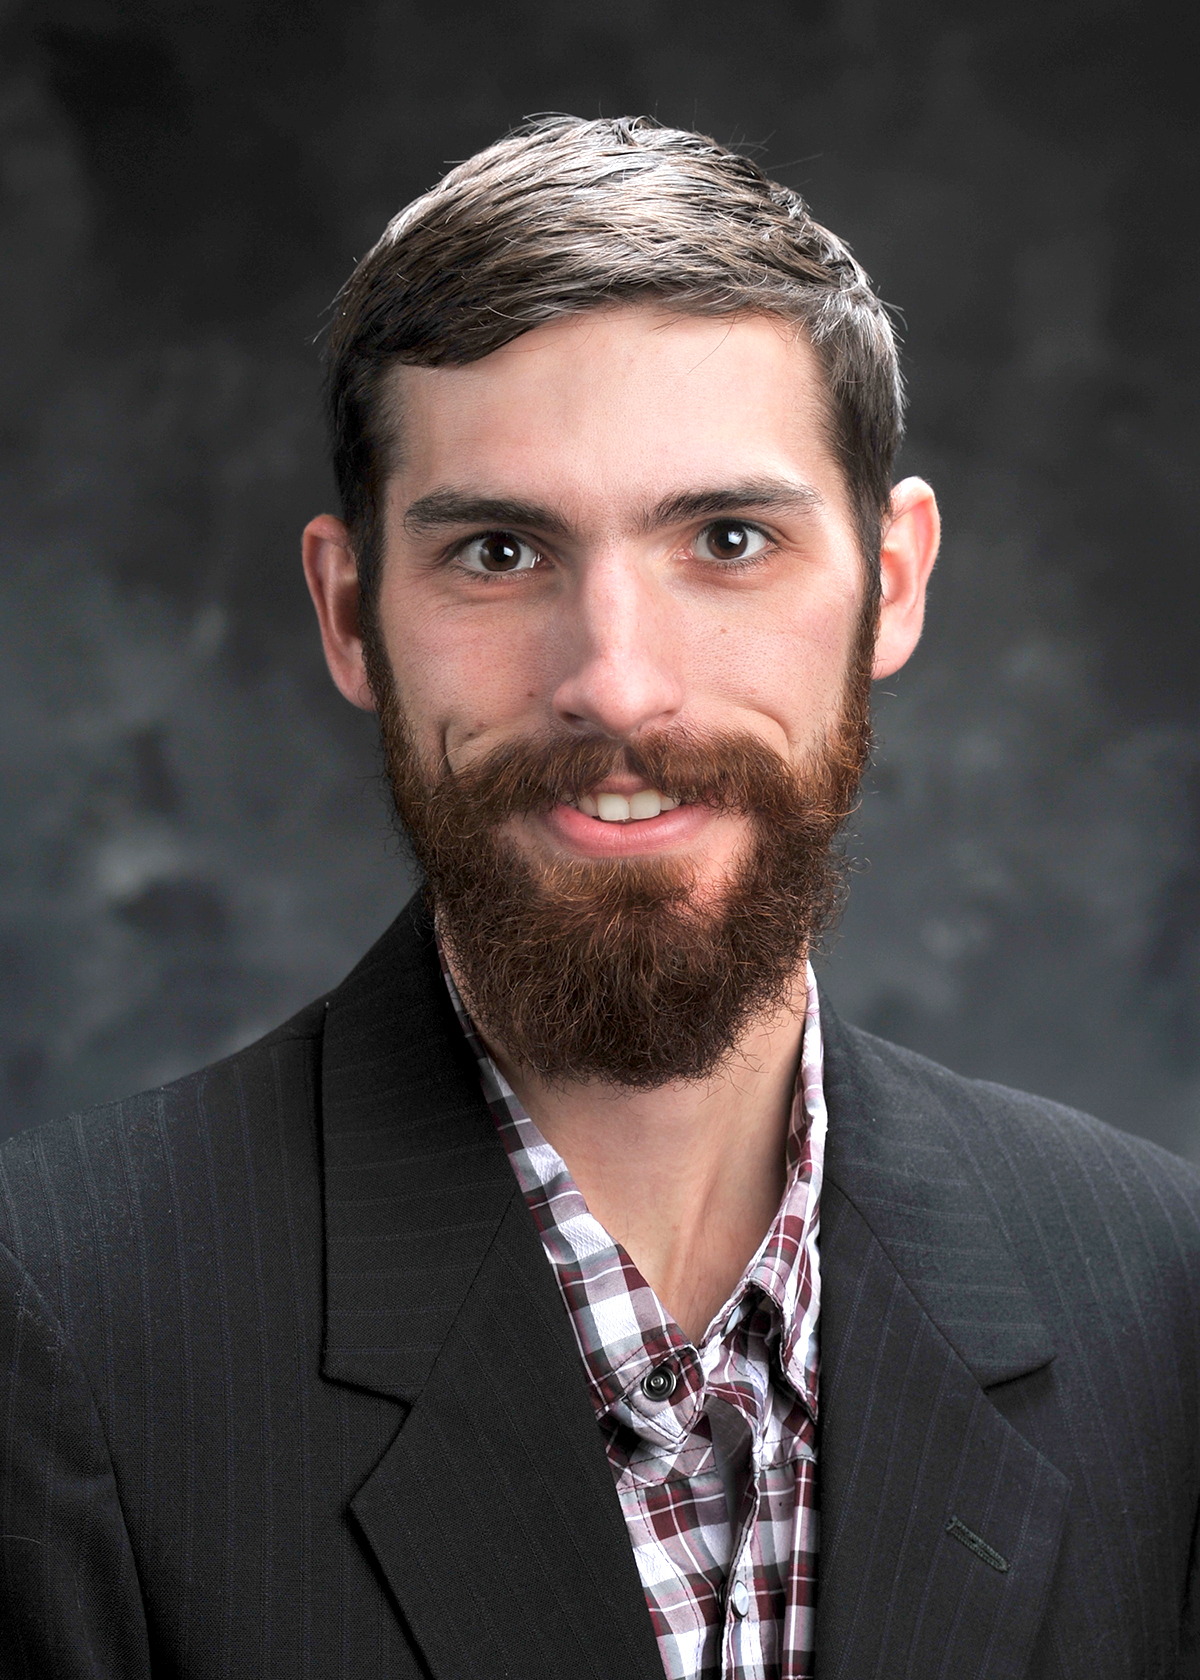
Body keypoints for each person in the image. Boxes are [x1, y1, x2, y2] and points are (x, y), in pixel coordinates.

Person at [1, 116, 1197, 1680]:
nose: (617, 685)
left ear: (893, 583)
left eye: (729, 539)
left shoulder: (1159, 1297)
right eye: (500, 552)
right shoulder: (60, 1320)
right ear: (350, 614)